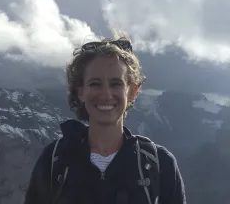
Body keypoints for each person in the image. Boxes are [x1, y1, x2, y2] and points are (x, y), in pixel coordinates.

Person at [24, 36, 187, 204]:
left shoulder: (159, 164)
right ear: (80, 92)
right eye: (95, 83)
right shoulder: (55, 160)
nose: (106, 94)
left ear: (132, 91)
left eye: (116, 83)